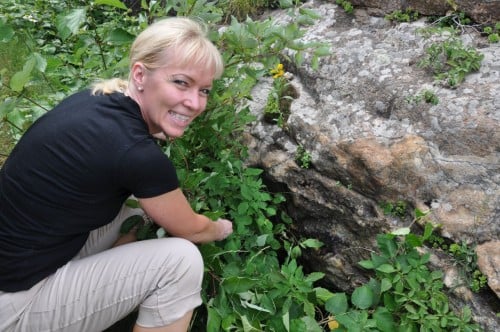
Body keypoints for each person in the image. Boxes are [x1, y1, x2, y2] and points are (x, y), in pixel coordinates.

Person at [0, 16, 233, 332]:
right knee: (181, 262)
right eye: (181, 82)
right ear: (140, 74)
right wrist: (220, 228)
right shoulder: (135, 154)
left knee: (136, 208)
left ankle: (109, 300)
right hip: (14, 304)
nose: (194, 102)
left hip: (23, 261)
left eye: (204, 90)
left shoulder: (97, 101)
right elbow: (192, 230)